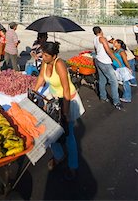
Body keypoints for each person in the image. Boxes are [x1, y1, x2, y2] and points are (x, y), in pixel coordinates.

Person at [34, 41, 85, 180]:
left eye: (45, 55)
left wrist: (66, 112)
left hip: (66, 100)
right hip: (53, 99)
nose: (42, 57)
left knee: (69, 136)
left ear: (54, 55)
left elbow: (66, 88)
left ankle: (73, 166)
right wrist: (33, 92)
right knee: (49, 131)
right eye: (42, 54)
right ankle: (59, 156)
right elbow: (40, 78)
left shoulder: (60, 64)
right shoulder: (45, 62)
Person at [92, 26, 122, 110]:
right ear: (101, 31)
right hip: (105, 62)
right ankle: (116, 102)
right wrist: (116, 59)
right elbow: (108, 50)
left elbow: (96, 50)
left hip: (98, 60)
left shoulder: (95, 39)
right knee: (114, 81)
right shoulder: (102, 38)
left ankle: (103, 96)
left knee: (102, 79)